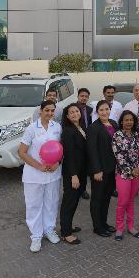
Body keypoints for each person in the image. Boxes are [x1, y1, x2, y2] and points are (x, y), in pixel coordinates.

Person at [18, 100, 62, 252]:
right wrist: (39, 166)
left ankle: (49, 230)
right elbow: (22, 152)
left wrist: (57, 163)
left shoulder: (57, 127)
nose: (50, 113)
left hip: (53, 173)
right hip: (34, 175)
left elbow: (60, 149)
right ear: (40, 111)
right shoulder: (31, 128)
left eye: (52, 110)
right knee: (34, 205)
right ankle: (36, 236)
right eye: (47, 110)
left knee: (51, 203)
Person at [86, 100, 119, 237]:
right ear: (97, 112)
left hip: (112, 169)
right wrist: (96, 170)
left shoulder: (114, 124)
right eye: (101, 110)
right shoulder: (93, 128)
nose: (105, 112)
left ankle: (104, 223)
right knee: (97, 198)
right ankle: (97, 227)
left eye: (107, 109)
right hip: (100, 170)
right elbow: (92, 151)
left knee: (106, 198)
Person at [111, 111, 139, 240]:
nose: (129, 122)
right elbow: (118, 155)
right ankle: (120, 228)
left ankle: (130, 226)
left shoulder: (137, 134)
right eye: (126, 120)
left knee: (131, 201)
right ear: (121, 121)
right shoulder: (117, 135)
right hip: (123, 173)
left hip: (137, 173)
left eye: (131, 120)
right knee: (123, 201)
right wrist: (131, 170)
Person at [59, 103, 88, 245]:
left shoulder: (81, 127)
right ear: (67, 116)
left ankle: (67, 226)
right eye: (72, 112)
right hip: (73, 172)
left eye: (77, 111)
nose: (75, 114)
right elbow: (69, 155)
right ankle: (66, 233)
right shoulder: (68, 131)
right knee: (69, 201)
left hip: (81, 170)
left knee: (75, 200)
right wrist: (73, 175)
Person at [75, 87, 93, 201]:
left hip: (87, 141)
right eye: (82, 96)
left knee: (85, 166)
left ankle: (83, 189)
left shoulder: (91, 110)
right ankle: (75, 187)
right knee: (77, 165)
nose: (84, 98)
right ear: (78, 96)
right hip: (76, 141)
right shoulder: (72, 108)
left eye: (86, 96)